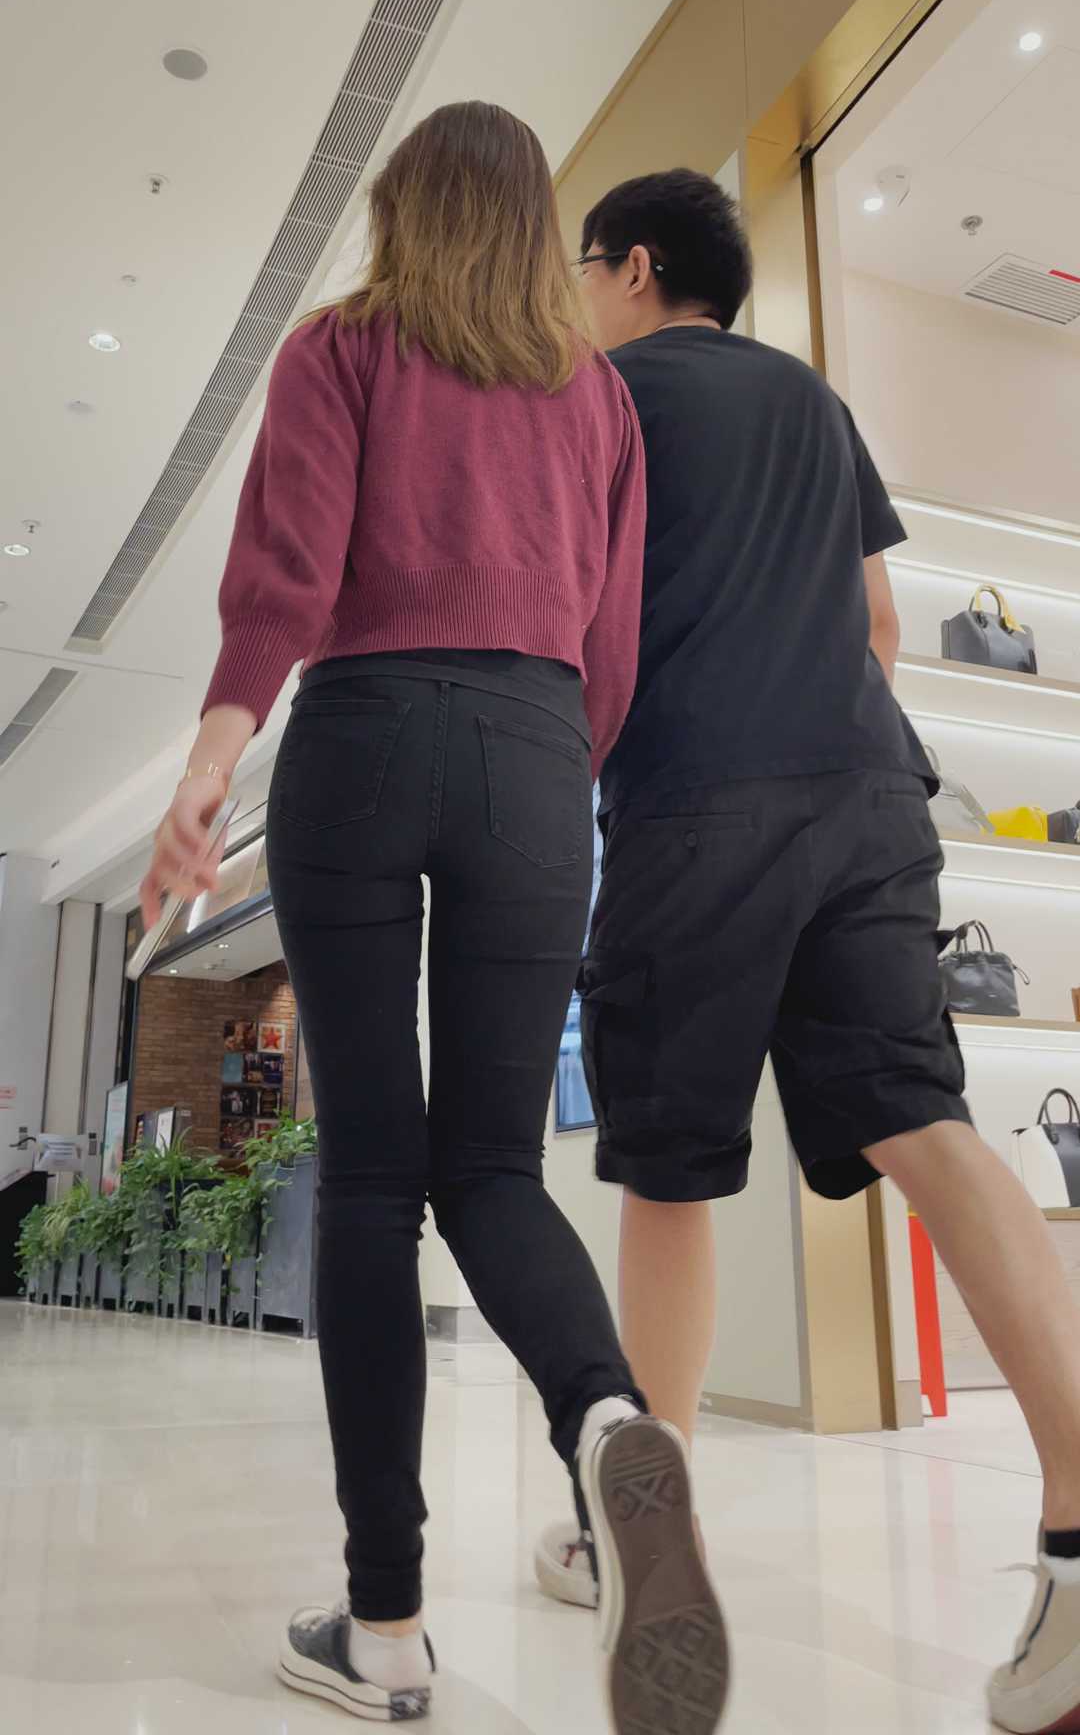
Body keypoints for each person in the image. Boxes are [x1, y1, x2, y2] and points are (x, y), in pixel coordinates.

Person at [140, 108, 726, 1735]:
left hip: (364, 736)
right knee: (491, 1170)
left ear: (402, 213)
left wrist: (210, 762)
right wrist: (541, 781)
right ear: (537, 227)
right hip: (537, 755)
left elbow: (286, 575)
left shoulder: (342, 347)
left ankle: (386, 1627)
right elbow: (611, 646)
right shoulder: (597, 397)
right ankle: (604, 1422)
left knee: (372, 1182)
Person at [534, 167, 1080, 1735]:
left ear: (636, 268)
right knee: (928, 1124)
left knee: (670, 1172)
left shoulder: (598, 397)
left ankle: (648, 1537)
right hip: (871, 797)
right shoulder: (815, 404)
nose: (580, 296)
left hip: (693, 798)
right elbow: (883, 630)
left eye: (587, 268)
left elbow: (570, 628)